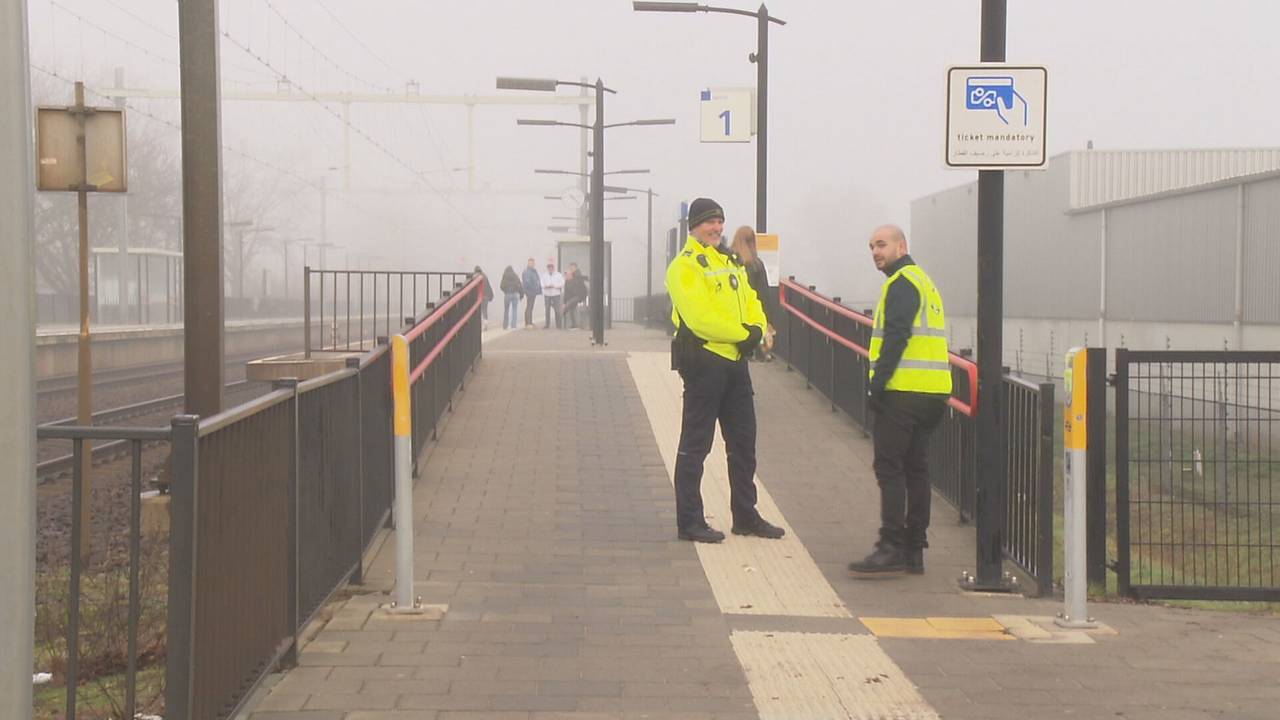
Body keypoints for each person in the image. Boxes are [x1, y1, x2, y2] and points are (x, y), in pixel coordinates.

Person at [666, 197, 785, 543]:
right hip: (705, 363)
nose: (716, 228)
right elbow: (700, 318)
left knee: (743, 443)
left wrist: (757, 328)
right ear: (694, 226)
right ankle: (689, 520)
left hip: (735, 363)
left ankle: (746, 516)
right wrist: (744, 334)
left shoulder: (729, 261)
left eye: (720, 221)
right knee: (696, 444)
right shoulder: (684, 266)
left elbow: (752, 300)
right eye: (709, 222)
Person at [848, 224, 953, 577]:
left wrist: (876, 385)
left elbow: (896, 335)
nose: (875, 251)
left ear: (901, 245)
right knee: (916, 468)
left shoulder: (902, 282)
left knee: (890, 468)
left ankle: (890, 544)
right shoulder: (924, 281)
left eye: (881, 244)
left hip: (904, 392)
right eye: (871, 246)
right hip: (933, 392)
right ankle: (914, 550)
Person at [729, 226, 775, 361]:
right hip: (753, 312)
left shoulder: (728, 260)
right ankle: (758, 353)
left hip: (733, 313)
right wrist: (769, 320)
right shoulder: (756, 264)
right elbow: (764, 294)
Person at [540, 259, 565, 329]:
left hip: (556, 294)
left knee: (557, 310)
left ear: (554, 268)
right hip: (547, 294)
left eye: (551, 267)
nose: (550, 268)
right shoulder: (544, 275)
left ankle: (558, 325)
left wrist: (555, 286)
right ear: (547, 268)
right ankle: (547, 325)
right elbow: (541, 283)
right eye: (549, 267)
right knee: (547, 310)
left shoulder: (558, 275)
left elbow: (562, 283)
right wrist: (546, 286)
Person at [563, 262, 588, 330]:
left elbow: (582, 277)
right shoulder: (568, 281)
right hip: (575, 296)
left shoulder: (577, 275)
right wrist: (565, 302)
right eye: (570, 268)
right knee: (571, 309)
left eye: (572, 268)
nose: (571, 269)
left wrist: (589, 278)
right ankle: (574, 324)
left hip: (580, 295)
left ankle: (578, 324)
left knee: (570, 304)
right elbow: (566, 293)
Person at [499, 265, 523, 330]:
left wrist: (505, 290)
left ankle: (505, 326)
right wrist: (521, 295)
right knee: (514, 310)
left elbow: (501, 286)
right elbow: (520, 286)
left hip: (507, 294)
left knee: (506, 310)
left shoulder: (505, 276)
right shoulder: (516, 276)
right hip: (515, 294)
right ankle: (513, 326)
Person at [521, 257, 541, 328]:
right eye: (531, 263)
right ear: (528, 263)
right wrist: (533, 288)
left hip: (533, 291)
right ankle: (528, 323)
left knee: (530, 306)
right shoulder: (527, 271)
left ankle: (530, 322)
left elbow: (537, 280)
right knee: (529, 306)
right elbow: (527, 282)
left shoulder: (534, 271)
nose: (532, 264)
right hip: (530, 291)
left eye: (533, 263)